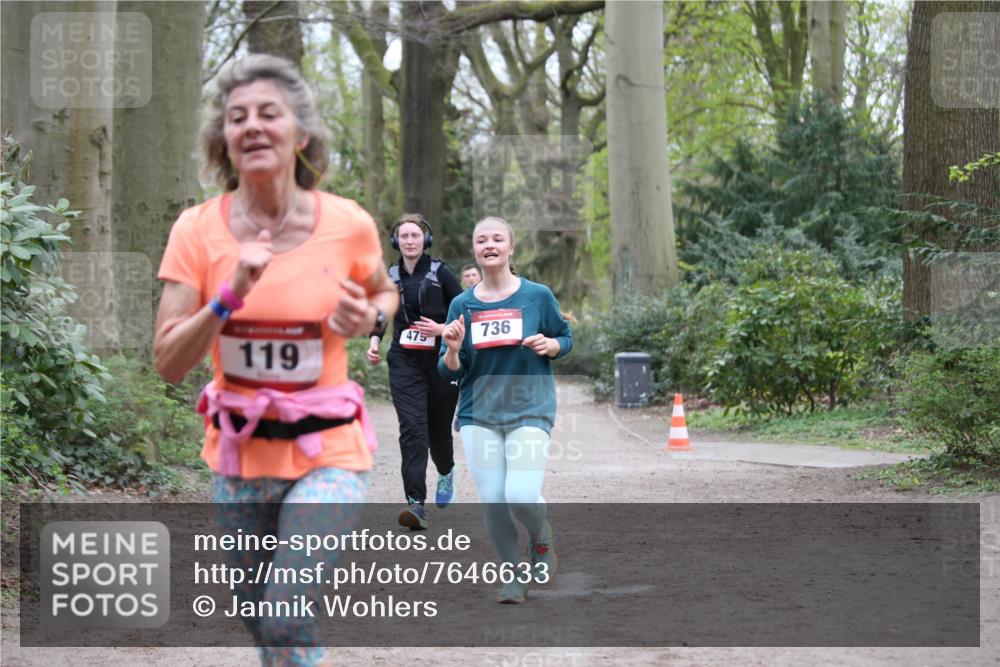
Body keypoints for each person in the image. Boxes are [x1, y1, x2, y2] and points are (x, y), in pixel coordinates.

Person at [154, 54, 397, 666]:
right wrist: (227, 296)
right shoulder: (196, 230)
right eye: (238, 117)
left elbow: (382, 293)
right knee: (264, 626)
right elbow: (167, 359)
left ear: (301, 133)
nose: (253, 126)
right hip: (240, 459)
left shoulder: (347, 224)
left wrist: (370, 318)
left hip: (330, 454)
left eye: (269, 113)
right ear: (224, 140)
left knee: (286, 612)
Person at [439, 216, 573, 604]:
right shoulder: (461, 304)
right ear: (475, 250)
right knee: (494, 499)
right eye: (482, 239)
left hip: (530, 406)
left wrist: (552, 346)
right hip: (479, 411)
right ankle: (514, 574)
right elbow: (449, 369)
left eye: (498, 238)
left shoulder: (537, 295)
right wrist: (450, 348)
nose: (490, 244)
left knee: (519, 493)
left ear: (511, 248)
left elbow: (565, 337)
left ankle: (539, 535)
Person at [366, 214, 463, 529]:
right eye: (404, 236)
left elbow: (465, 311)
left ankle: (446, 471)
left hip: (441, 358)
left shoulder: (441, 272)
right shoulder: (389, 275)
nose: (409, 241)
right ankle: (415, 504)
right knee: (412, 430)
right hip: (404, 360)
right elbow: (381, 313)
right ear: (396, 241)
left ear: (425, 240)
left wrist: (443, 328)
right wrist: (374, 340)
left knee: (438, 431)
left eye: (415, 235)